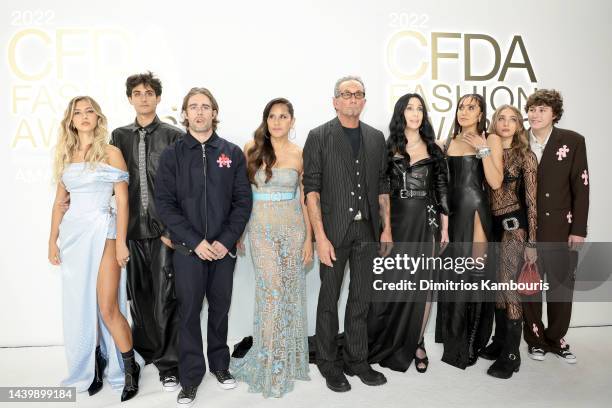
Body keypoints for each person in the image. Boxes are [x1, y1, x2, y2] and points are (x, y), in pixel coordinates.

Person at [155, 87, 252, 407]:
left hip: (223, 251)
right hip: (188, 251)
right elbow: (166, 206)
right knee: (189, 314)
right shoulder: (173, 155)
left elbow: (242, 202)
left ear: (214, 112)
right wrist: (195, 242)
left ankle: (221, 366)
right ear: (184, 114)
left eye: (205, 107)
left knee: (220, 310)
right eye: (193, 107)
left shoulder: (232, 152)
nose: (199, 112)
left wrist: (224, 242)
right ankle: (191, 377)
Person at [48, 96, 142, 401]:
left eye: (89, 111)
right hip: (74, 237)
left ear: (98, 118)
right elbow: (60, 204)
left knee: (107, 307)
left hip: (104, 233)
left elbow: (124, 202)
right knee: (81, 307)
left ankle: (128, 370)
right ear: (71, 120)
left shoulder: (111, 153)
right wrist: (52, 240)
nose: (84, 116)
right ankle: (92, 368)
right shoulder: (66, 155)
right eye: (78, 112)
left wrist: (122, 243)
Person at [303, 76, 391, 392]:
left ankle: (357, 360)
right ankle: (329, 363)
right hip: (333, 231)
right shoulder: (319, 136)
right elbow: (311, 190)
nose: (353, 98)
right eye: (346, 94)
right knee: (328, 299)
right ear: (335, 101)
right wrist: (320, 238)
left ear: (364, 101)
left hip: (368, 229)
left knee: (361, 298)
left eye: (358, 94)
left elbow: (382, 185)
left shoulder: (376, 137)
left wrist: (387, 229)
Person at [229, 98, 313, 397]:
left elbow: (304, 199)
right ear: (265, 120)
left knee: (289, 293)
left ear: (292, 121)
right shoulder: (251, 149)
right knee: (272, 292)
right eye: (272, 116)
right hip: (260, 228)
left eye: (283, 116)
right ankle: (268, 363)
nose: (277, 121)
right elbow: (240, 195)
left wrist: (309, 238)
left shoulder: (300, 153)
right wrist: (238, 231)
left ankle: (286, 361)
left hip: (292, 228)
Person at [110, 71, 183, 391]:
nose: (143, 97)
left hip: (163, 232)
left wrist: (172, 228)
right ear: (129, 98)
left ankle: (170, 364)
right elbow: (112, 184)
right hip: (130, 231)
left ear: (157, 97)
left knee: (165, 299)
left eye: (149, 92)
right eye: (137, 92)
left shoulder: (173, 135)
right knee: (137, 299)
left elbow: (183, 187)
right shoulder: (119, 135)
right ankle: (148, 354)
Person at [367, 93, 449, 373]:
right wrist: (385, 229)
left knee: (424, 286)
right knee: (394, 282)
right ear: (401, 113)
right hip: (397, 222)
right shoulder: (388, 147)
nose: (415, 113)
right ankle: (390, 338)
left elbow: (441, 192)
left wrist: (445, 230)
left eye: (420, 109)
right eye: (410, 108)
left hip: (426, 222)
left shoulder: (435, 148)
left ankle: (417, 341)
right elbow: (382, 192)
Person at [435, 93, 503, 369]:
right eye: (461, 107)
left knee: (475, 277)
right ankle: (453, 339)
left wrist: (483, 149)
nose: (464, 111)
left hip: (475, 211)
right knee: (454, 278)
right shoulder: (448, 140)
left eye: (471, 107)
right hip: (452, 214)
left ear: (480, 113)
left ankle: (474, 342)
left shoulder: (491, 139)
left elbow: (496, 182)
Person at [522, 89, 589, 364]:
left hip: (563, 227)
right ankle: (535, 339)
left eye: (542, 110)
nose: (535, 114)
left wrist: (579, 229)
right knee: (530, 286)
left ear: (554, 114)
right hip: (528, 229)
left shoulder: (572, 141)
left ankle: (557, 338)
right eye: (532, 109)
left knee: (561, 287)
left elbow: (581, 187)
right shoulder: (518, 141)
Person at [480, 105, 538, 379]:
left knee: (509, 286)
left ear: (518, 124)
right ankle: (500, 340)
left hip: (513, 228)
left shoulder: (526, 157)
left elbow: (532, 203)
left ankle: (512, 355)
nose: (505, 123)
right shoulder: (488, 148)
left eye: (512, 119)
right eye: (501, 118)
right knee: (497, 288)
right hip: (490, 228)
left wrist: (532, 243)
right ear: (494, 122)